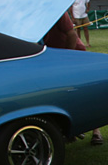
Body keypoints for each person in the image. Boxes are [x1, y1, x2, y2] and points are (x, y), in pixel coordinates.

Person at [44, 10, 103, 145]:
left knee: (87, 94)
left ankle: (96, 132)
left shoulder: (57, 11)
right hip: (54, 60)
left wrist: (68, 58)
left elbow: (71, 34)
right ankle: (71, 131)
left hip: (74, 55)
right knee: (64, 96)